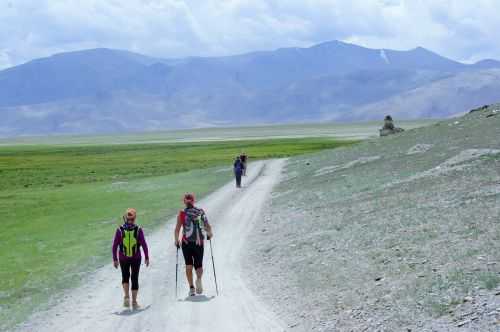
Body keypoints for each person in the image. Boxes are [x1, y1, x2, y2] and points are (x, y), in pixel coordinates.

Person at [174, 193, 213, 296]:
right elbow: (207, 226)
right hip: (198, 242)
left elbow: (177, 229)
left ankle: (191, 287)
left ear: (184, 202)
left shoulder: (182, 213)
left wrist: (176, 240)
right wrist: (209, 234)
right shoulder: (200, 212)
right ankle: (198, 279)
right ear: (193, 201)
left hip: (186, 243)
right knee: (199, 265)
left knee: (188, 265)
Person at [112, 208, 149, 309]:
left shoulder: (119, 230)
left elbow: (114, 246)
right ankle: (134, 302)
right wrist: (147, 257)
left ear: (125, 217)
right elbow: (144, 244)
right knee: (134, 278)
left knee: (125, 277)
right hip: (136, 258)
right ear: (134, 218)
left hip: (123, 258)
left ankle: (126, 297)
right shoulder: (138, 229)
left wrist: (115, 259)